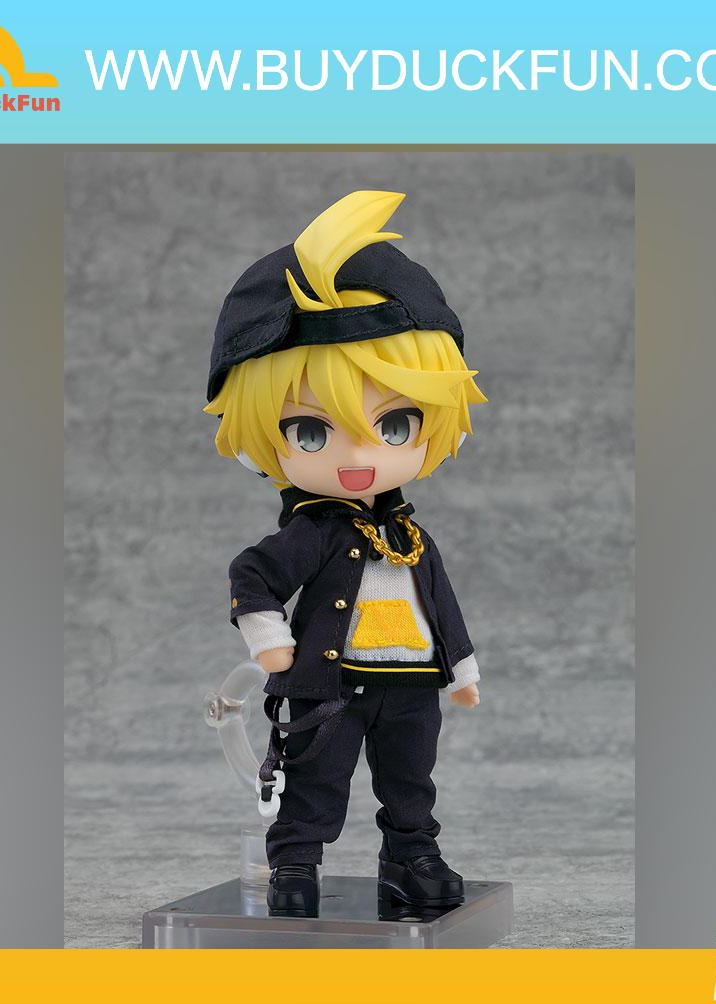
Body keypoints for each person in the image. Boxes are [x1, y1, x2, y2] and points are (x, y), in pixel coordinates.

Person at [205, 190, 486, 917]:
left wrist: (460, 668)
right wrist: (269, 641)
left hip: (411, 684)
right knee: (316, 782)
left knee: (411, 781)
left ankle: (411, 855)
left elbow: (440, 603)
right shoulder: (315, 531)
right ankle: (296, 863)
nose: (360, 458)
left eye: (394, 427)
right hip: (330, 687)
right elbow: (254, 574)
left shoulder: (411, 533)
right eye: (311, 432)